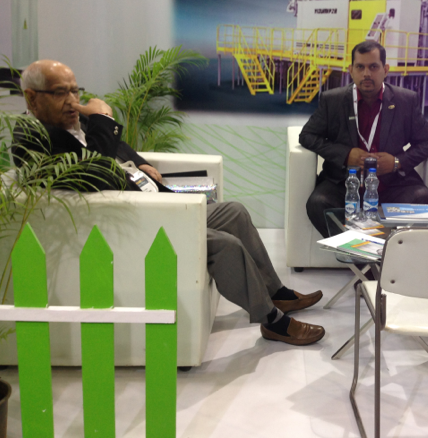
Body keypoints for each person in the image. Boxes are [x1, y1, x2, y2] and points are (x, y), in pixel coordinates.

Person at [14, 60, 325, 346]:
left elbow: (118, 148)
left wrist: (141, 163)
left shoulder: (71, 122)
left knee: (234, 212)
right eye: (60, 93)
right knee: (224, 245)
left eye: (75, 90)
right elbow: (92, 173)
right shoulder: (33, 139)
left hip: (154, 204)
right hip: (133, 223)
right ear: (32, 98)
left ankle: (277, 293)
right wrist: (102, 119)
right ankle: (272, 321)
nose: (72, 101)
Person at [300, 40, 428, 237]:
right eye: (360, 67)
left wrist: (397, 162)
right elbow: (307, 136)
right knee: (318, 203)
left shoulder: (405, 101)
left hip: (391, 184)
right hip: (345, 183)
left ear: (385, 70)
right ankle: (362, 252)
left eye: (373, 67)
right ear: (351, 70)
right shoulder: (333, 100)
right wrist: (345, 155)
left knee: (423, 199)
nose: (366, 73)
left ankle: (384, 251)